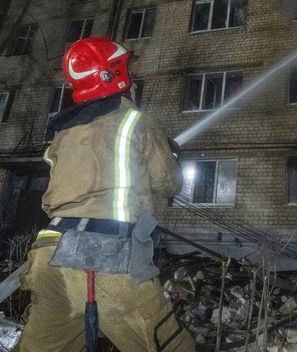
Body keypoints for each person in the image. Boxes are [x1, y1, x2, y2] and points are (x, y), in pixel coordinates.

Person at [16, 38, 195, 352]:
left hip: (49, 253)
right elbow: (168, 183)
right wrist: (172, 157)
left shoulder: (62, 132)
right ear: (116, 76)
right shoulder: (136, 121)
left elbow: (54, 194)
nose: (135, 79)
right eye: (129, 70)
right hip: (107, 256)